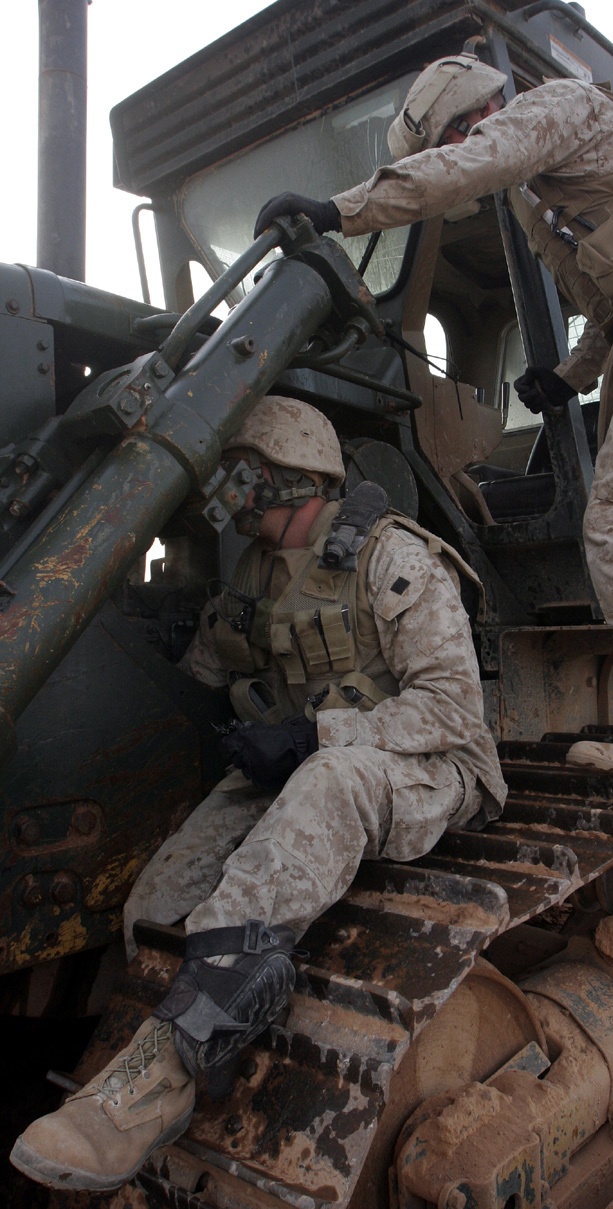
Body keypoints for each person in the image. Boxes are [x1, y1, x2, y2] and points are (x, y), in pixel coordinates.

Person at [11, 395, 506, 1192]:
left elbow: (453, 708)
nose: (233, 493)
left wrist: (317, 736)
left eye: (246, 475)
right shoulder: (254, 571)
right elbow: (204, 673)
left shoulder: (392, 558)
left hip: (428, 765)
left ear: (291, 478)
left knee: (330, 777)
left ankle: (163, 1076)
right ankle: (159, 1044)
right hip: (306, 762)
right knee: (157, 899)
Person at [250, 53, 613, 789]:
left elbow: (470, 170)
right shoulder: (555, 189)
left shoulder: (560, 108)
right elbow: (612, 302)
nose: (456, 157)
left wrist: (339, 212)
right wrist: (566, 379)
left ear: (469, 119)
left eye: (450, 143)